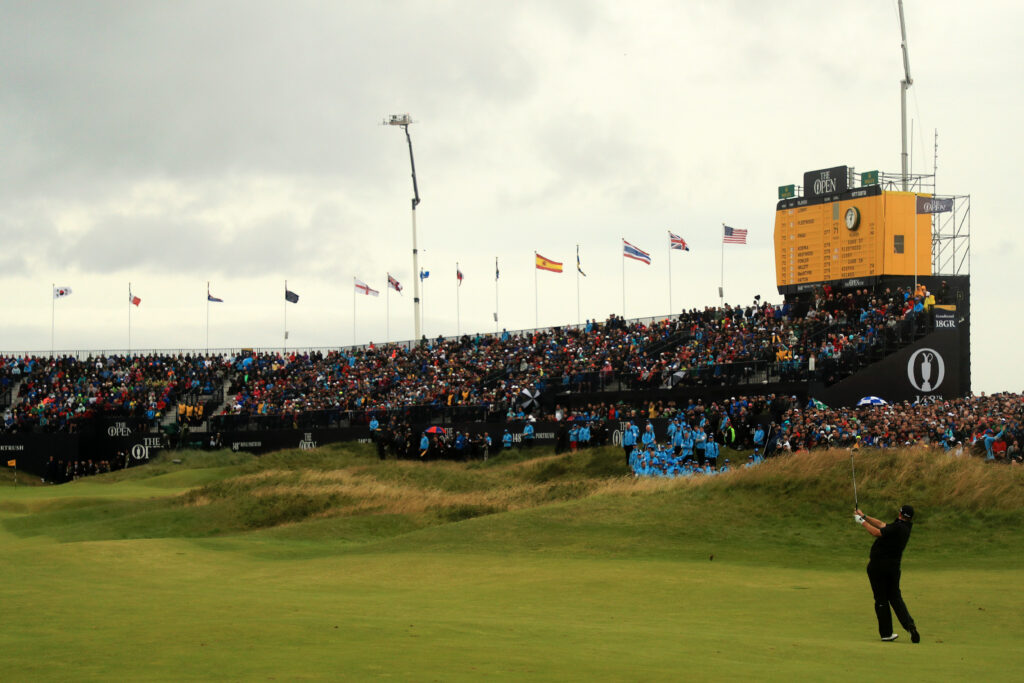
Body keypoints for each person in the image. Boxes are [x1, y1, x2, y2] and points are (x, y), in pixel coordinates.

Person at [855, 504, 920, 643]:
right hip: (894, 568)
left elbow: (876, 532)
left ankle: (886, 633)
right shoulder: (905, 527)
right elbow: (881, 524)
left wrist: (861, 522)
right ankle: (910, 626)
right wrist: (864, 516)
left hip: (878, 567)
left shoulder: (897, 528)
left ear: (900, 514)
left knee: (881, 599)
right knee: (895, 598)